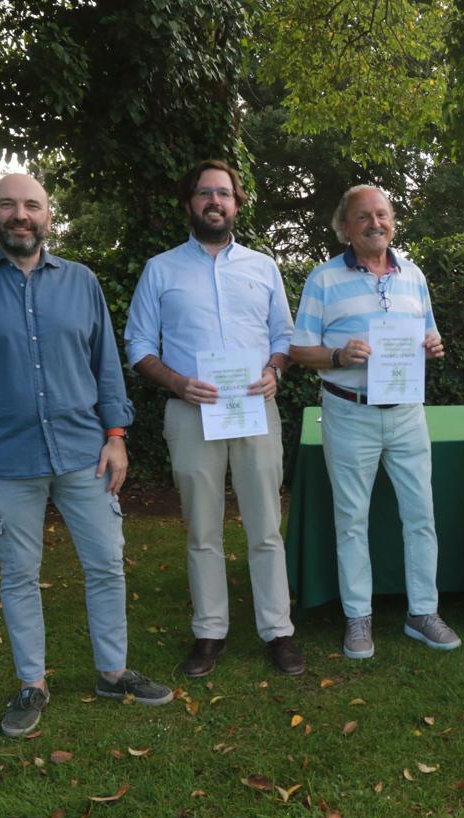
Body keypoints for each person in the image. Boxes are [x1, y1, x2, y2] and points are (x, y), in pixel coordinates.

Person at [0, 174, 172, 737]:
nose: (21, 214)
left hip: (84, 451)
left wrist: (117, 436)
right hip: (3, 460)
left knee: (106, 565)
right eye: (8, 204)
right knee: (18, 575)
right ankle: (32, 683)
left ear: (47, 215)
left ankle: (112, 672)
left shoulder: (82, 282)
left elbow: (106, 366)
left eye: (31, 205)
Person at [124, 160, 304, 678]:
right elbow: (138, 345)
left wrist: (275, 368)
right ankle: (210, 631)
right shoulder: (161, 269)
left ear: (237, 204)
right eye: (205, 193)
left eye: (224, 194)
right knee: (202, 529)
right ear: (190, 204)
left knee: (266, 527)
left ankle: (278, 630)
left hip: (254, 409)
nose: (215, 202)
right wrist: (177, 382)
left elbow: (283, 337)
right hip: (191, 411)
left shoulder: (263, 267)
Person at [290, 184, 461, 659]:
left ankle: (422, 612)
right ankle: (358, 619)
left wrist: (434, 345)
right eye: (362, 217)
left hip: (407, 413)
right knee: (351, 521)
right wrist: (339, 353)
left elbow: (430, 333)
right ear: (345, 227)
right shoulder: (323, 279)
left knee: (421, 516)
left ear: (393, 221)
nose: (374, 224)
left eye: (382, 214)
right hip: (348, 411)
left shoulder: (414, 275)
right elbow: (298, 349)